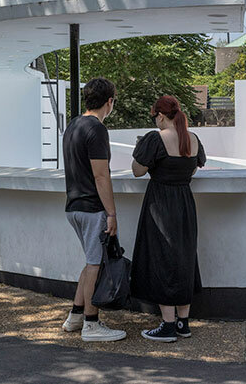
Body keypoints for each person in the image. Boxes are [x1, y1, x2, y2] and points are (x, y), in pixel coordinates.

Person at [130, 95, 206, 342]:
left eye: (155, 117)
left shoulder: (156, 138)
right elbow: (194, 167)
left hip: (161, 205)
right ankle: (184, 323)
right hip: (185, 204)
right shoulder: (192, 139)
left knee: (162, 258)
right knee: (184, 258)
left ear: (160, 115)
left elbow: (137, 170)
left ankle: (168, 325)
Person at [60, 77, 126, 342]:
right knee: (95, 265)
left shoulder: (73, 125)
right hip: (92, 209)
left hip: (73, 206)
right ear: (109, 102)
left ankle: (75, 317)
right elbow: (101, 176)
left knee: (91, 262)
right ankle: (92, 324)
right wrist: (111, 213)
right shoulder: (97, 129)